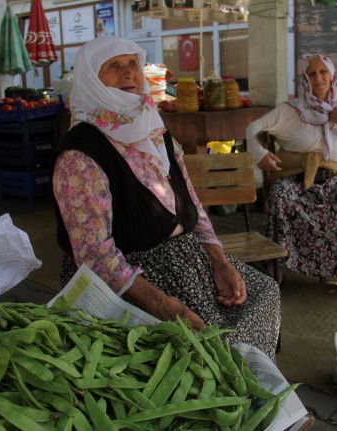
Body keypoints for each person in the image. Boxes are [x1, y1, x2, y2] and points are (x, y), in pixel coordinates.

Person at [51, 37, 281, 359]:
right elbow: (95, 255)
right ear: (92, 79)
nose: (128, 73)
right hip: (133, 280)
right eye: (113, 66)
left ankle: (254, 389)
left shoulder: (153, 128)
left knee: (264, 294)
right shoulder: (81, 155)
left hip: (187, 260)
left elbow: (193, 204)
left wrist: (219, 260)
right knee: (215, 344)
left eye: (132, 63)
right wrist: (166, 306)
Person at [246, 54, 337, 302]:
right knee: (281, 198)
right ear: (305, 79)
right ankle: (276, 272)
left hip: (333, 177)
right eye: (312, 74)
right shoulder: (290, 110)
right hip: (293, 176)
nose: (318, 78)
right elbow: (252, 129)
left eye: (323, 72)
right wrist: (260, 154)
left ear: (332, 75)